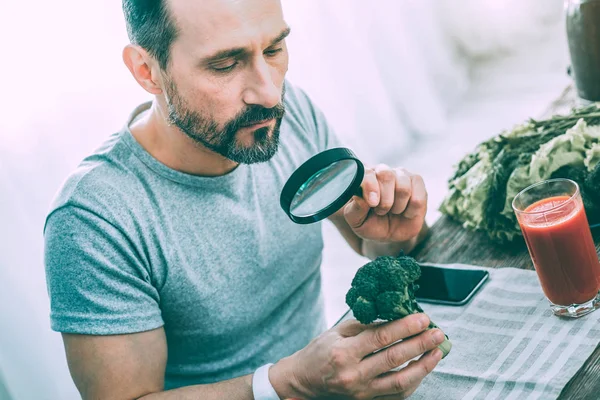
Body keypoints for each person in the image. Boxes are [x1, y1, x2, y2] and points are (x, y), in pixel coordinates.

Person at [44, 0, 445, 398]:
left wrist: (395, 232)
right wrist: (289, 382)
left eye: (273, 50)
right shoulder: (92, 220)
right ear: (147, 71)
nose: (270, 93)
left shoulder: (285, 114)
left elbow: (368, 242)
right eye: (225, 64)